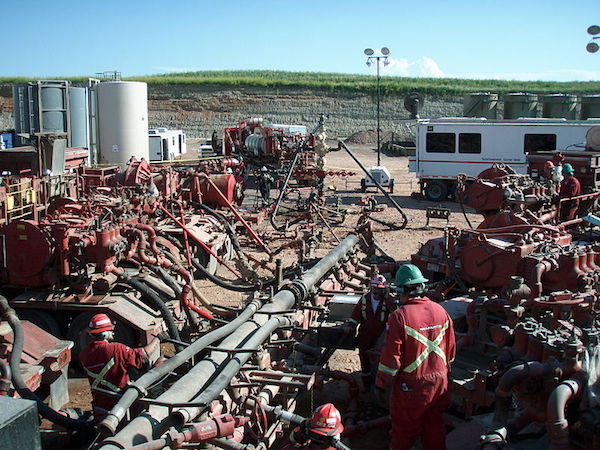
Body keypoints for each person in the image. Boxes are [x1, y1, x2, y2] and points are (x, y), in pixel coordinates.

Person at [376, 264, 455, 450]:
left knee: (404, 432)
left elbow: (391, 360)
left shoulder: (399, 316)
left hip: (412, 387)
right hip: (440, 383)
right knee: (434, 428)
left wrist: (381, 382)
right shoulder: (441, 311)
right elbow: (450, 351)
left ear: (402, 290)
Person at [79, 313, 160, 419]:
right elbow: (141, 356)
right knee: (160, 364)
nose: (113, 332)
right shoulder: (116, 349)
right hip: (122, 404)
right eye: (111, 330)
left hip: (100, 407)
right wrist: (157, 338)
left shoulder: (83, 354)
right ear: (105, 334)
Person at [346, 273, 393, 391]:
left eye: (381, 289)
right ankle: (367, 387)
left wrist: (388, 298)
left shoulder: (387, 300)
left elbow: (396, 312)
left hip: (380, 338)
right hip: (365, 337)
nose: (378, 292)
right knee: (365, 361)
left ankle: (379, 386)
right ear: (372, 288)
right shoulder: (364, 300)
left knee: (380, 362)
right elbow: (355, 316)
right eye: (376, 289)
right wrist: (350, 326)